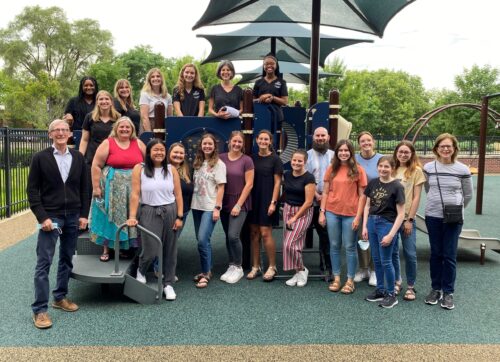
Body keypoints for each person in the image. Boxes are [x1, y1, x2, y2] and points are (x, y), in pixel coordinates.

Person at [27, 119, 89, 329]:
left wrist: (83, 214)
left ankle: (60, 297)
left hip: (73, 216)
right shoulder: (40, 158)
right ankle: (40, 310)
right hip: (50, 217)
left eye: (64, 130)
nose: (61, 133)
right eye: (57, 130)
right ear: (50, 134)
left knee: (66, 259)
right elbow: (32, 191)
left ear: (70, 134)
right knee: (44, 262)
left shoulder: (78, 158)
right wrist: (42, 217)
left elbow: (84, 189)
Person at [127, 139, 183, 301]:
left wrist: (179, 216)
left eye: (162, 150)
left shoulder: (171, 169)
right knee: (150, 248)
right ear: (149, 152)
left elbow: (178, 194)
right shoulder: (140, 168)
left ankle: (168, 283)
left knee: (170, 249)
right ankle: (141, 270)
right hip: (149, 211)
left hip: (170, 210)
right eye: (155, 150)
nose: (159, 153)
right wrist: (132, 216)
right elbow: (135, 194)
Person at [423, 133, 473, 310]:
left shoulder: (462, 170)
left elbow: (468, 195)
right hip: (433, 216)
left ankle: (448, 292)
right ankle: (435, 289)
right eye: (442, 146)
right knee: (436, 253)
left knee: (449, 255)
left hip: (453, 218)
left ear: (454, 148)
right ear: (436, 148)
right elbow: (428, 189)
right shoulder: (428, 167)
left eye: (448, 146)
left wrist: (457, 209)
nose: (445, 149)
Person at [90, 116, 146, 261]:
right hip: (111, 187)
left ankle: (127, 248)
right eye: (121, 127)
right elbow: (96, 165)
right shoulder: (107, 143)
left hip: (134, 188)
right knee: (110, 216)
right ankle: (106, 249)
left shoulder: (138, 143)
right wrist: (96, 187)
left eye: (128, 127)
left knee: (131, 216)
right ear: (116, 128)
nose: (124, 129)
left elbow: (149, 163)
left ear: (132, 129)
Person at [319, 140, 367, 295]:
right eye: (340, 150)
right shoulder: (331, 169)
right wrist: (322, 212)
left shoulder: (358, 170)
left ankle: (350, 280)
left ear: (351, 152)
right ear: (337, 152)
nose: (343, 153)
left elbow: (362, 196)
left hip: (351, 214)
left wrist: (358, 217)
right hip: (332, 212)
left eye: (346, 151)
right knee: (334, 245)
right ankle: (337, 278)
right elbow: (325, 192)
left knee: (350, 247)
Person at [362, 156, 405, 309]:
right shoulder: (373, 182)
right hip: (372, 222)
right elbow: (367, 205)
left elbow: (401, 214)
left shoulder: (397, 186)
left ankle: (391, 294)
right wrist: (365, 226)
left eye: (386, 167)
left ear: (392, 168)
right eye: (380, 166)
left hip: (386, 224)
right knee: (377, 260)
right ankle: (380, 290)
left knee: (386, 261)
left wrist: (391, 234)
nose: (383, 169)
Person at [191, 133, 226, 288]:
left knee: (203, 240)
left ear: (214, 146)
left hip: (210, 207)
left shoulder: (219, 164)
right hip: (196, 206)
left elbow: (221, 187)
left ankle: (206, 273)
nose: (207, 146)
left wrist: (217, 207)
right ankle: (207, 269)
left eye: (210, 144)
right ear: (201, 145)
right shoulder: (198, 162)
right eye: (204, 143)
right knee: (202, 240)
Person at [392, 140, 426, 301]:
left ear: (412, 154)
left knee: (410, 253)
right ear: (396, 153)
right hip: (391, 218)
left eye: (406, 152)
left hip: (406, 218)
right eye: (401, 152)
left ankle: (410, 286)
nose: (403, 155)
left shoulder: (416, 171)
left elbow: (416, 196)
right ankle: (397, 281)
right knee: (392, 252)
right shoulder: (391, 169)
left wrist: (410, 220)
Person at [219, 131, 254, 284]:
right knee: (228, 236)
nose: (237, 144)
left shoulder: (247, 160)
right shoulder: (221, 158)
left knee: (234, 235)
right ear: (229, 141)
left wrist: (238, 205)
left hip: (240, 202)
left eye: (240, 142)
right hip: (224, 201)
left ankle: (238, 266)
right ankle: (231, 264)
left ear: (243, 144)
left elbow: (249, 184)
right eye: (235, 141)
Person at [247, 130, 283, 281]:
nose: (263, 141)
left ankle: (272, 266)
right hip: (253, 199)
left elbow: (277, 183)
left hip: (268, 200)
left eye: (266, 139)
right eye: (260, 139)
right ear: (256, 140)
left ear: (270, 142)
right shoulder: (251, 158)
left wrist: (273, 203)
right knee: (254, 233)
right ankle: (256, 266)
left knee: (265, 232)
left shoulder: (275, 159)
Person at [282, 149, 315, 287]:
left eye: (300, 161)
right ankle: (297, 272)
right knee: (295, 244)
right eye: (294, 160)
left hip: (302, 212)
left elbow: (308, 202)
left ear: (305, 162)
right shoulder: (287, 175)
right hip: (288, 210)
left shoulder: (309, 178)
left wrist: (295, 217)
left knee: (288, 244)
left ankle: (302, 269)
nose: (296, 163)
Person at [354, 131, 383, 286]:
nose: (366, 143)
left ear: (373, 142)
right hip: (359, 204)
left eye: (368, 140)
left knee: (374, 237)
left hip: (377, 204)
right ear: (359, 144)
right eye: (363, 141)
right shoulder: (355, 159)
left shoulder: (381, 159)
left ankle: (374, 270)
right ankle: (363, 268)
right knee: (361, 237)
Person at [306, 127, 334, 277]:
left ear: (328, 137)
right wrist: (316, 195)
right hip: (313, 202)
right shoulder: (307, 156)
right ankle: (323, 266)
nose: (320, 138)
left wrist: (328, 197)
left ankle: (328, 267)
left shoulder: (335, 156)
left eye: (323, 135)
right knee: (321, 235)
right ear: (313, 137)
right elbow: (304, 179)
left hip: (332, 202)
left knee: (328, 236)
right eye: (317, 135)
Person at [253, 54, 288, 123]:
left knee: (276, 134)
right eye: (266, 64)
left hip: (277, 117)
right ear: (263, 66)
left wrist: (272, 97)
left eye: (272, 63)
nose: (269, 66)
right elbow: (252, 100)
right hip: (261, 116)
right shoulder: (258, 82)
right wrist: (261, 99)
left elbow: (285, 101)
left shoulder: (282, 82)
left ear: (276, 65)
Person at [139, 68, 173, 133]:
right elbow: (144, 117)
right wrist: (149, 134)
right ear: (149, 80)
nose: (155, 78)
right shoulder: (145, 95)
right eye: (152, 77)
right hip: (149, 124)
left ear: (161, 79)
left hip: (163, 125)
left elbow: (170, 116)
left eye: (158, 76)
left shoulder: (168, 96)